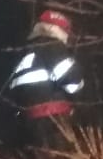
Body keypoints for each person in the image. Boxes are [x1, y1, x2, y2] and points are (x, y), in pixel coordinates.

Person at [5, 8, 86, 149]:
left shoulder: (23, 52)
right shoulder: (51, 45)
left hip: (27, 124)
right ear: (59, 30)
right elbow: (72, 81)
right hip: (53, 121)